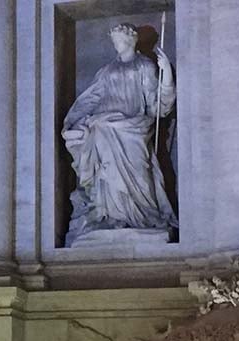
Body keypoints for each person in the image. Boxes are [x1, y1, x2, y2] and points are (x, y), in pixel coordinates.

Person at [62, 23, 176, 241]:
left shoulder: (144, 66)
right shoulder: (106, 71)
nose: (116, 45)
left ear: (129, 41)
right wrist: (73, 121)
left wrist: (167, 74)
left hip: (134, 128)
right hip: (104, 126)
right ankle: (111, 216)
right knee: (101, 145)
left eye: (118, 40)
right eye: (114, 41)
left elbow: (157, 105)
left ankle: (142, 217)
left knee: (140, 173)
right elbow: (91, 99)